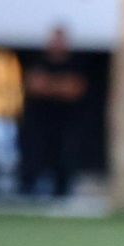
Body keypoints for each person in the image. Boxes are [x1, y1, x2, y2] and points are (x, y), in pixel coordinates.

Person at [16, 26, 87, 198]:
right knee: (33, 156)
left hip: (65, 124)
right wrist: (59, 86)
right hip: (38, 122)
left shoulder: (75, 63)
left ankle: (61, 192)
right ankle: (28, 190)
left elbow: (73, 88)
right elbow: (34, 85)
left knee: (64, 159)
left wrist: (48, 85)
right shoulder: (37, 61)